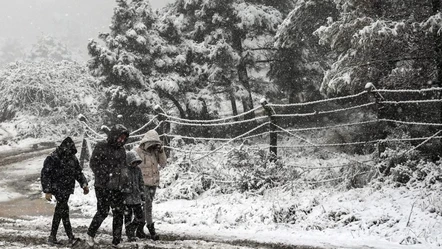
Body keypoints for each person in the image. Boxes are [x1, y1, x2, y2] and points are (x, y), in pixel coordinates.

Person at [86, 124, 130, 247]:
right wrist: (106, 175)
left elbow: (123, 167)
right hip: (102, 185)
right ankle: (90, 234)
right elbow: (94, 163)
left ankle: (116, 240)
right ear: (114, 136)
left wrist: (125, 181)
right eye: (120, 137)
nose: (121, 140)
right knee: (103, 211)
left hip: (117, 186)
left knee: (118, 212)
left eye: (123, 139)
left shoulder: (122, 150)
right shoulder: (101, 146)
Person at [41, 137, 89, 246]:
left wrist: (84, 184)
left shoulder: (72, 158)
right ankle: (69, 236)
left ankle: (53, 236)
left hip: (67, 189)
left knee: (60, 210)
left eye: (71, 152)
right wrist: (47, 191)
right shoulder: (53, 158)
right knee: (63, 210)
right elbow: (45, 175)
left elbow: (78, 173)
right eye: (68, 151)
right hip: (57, 188)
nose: (70, 154)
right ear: (63, 149)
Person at [135, 129, 167, 240]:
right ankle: (150, 229)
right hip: (142, 183)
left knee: (147, 206)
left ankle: (140, 229)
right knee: (147, 206)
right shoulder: (137, 151)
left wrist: (161, 151)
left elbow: (163, 164)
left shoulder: (155, 152)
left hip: (153, 184)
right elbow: (131, 165)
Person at [122, 151, 148, 242]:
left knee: (139, 216)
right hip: (127, 198)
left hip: (136, 197)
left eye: (137, 162)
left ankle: (132, 228)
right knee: (128, 216)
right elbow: (121, 184)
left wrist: (142, 193)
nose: (135, 164)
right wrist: (124, 192)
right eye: (133, 162)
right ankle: (130, 234)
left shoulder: (138, 170)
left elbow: (141, 182)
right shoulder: (124, 170)